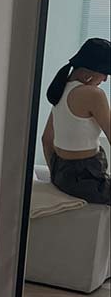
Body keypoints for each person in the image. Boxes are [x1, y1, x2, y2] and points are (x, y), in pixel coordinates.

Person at [41, 37, 111, 206]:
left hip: (61, 174)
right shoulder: (93, 94)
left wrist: (56, 175)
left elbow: (46, 139)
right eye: (105, 73)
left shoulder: (60, 89)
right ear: (89, 72)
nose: (105, 80)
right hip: (87, 178)